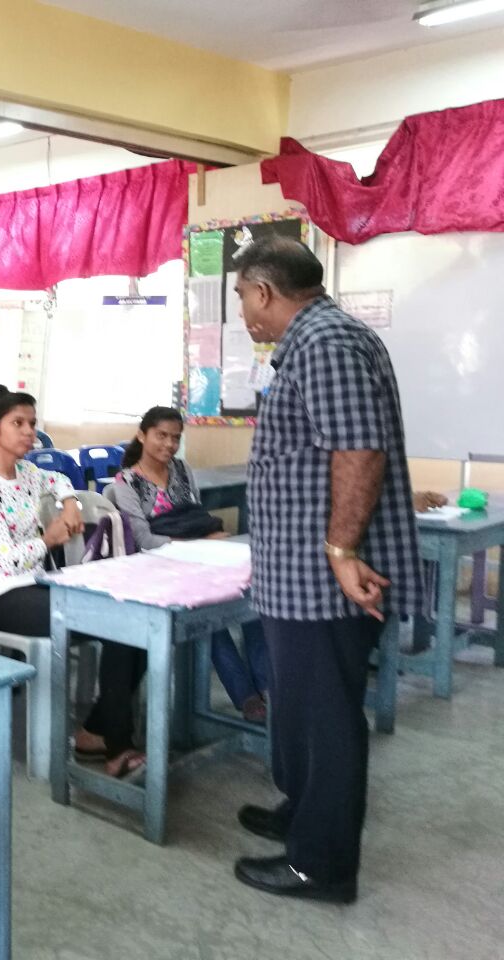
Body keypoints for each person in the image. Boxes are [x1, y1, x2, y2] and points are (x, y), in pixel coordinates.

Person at [231, 237, 420, 903]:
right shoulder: (316, 340)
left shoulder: (325, 343)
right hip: (297, 576)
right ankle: (302, 814)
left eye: (242, 297)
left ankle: (322, 865)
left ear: (263, 292)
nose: (243, 312)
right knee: (303, 710)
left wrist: (341, 552)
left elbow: (359, 450)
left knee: (326, 719)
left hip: (321, 580)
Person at [0, 392, 147, 778]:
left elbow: (59, 479)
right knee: (117, 625)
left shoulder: (27, 472)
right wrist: (49, 540)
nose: (29, 431)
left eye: (32, 423)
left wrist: (70, 502)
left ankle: (95, 730)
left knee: (139, 623)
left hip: (38, 583)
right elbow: (5, 559)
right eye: (18, 423)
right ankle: (117, 746)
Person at [107, 406, 271, 723]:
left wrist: (203, 542)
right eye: (161, 436)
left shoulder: (182, 470)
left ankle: (267, 685)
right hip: (158, 567)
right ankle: (245, 696)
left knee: (251, 596)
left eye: (175, 438)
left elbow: (195, 518)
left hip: (199, 557)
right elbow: (144, 539)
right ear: (142, 435)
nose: (169, 444)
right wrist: (197, 543)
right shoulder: (126, 482)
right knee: (208, 615)